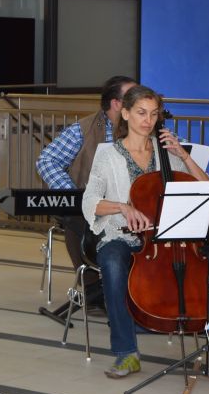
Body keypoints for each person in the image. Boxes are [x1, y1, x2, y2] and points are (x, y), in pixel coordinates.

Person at [81, 85, 209, 385]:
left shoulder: (168, 152)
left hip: (172, 236)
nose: (148, 120)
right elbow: (89, 201)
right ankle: (126, 352)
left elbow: (206, 185)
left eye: (154, 114)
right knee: (113, 265)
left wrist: (183, 154)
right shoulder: (108, 155)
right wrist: (123, 207)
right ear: (126, 113)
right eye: (142, 113)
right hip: (123, 234)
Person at [36, 76, 137, 288]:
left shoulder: (144, 126)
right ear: (116, 104)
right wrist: (74, 195)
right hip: (94, 204)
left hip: (134, 204)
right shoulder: (83, 129)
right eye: (133, 97)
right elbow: (47, 160)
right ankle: (94, 287)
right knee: (79, 220)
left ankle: (140, 283)